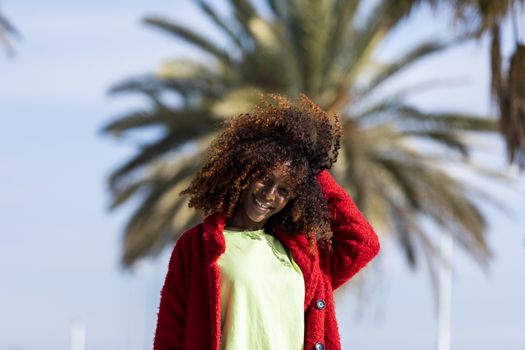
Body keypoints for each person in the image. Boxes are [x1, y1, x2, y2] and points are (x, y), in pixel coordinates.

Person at [153, 93, 381, 350]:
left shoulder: (304, 254)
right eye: (265, 179)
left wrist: (311, 171)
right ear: (246, 171)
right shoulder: (197, 246)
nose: (270, 194)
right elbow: (169, 336)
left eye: (284, 190)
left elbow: (363, 242)